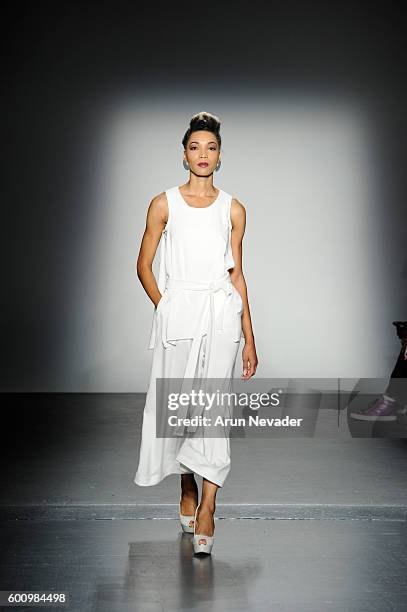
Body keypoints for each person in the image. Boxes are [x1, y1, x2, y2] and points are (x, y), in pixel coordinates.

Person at [133, 111, 258, 554]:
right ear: (184, 154)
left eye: (211, 148)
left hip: (221, 315)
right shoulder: (164, 203)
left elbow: (237, 274)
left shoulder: (234, 208)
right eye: (194, 147)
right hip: (180, 315)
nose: (203, 154)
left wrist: (250, 336)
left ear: (220, 156)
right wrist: (167, 307)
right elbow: (143, 266)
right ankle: (186, 486)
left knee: (213, 411)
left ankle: (207, 506)